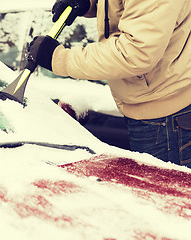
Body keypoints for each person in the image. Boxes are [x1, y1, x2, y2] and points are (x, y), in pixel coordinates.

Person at [27, 0, 191, 168]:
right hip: (151, 106)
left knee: (162, 192)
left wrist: (60, 58)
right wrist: (90, 4)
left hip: (165, 118)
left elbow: (135, 53)